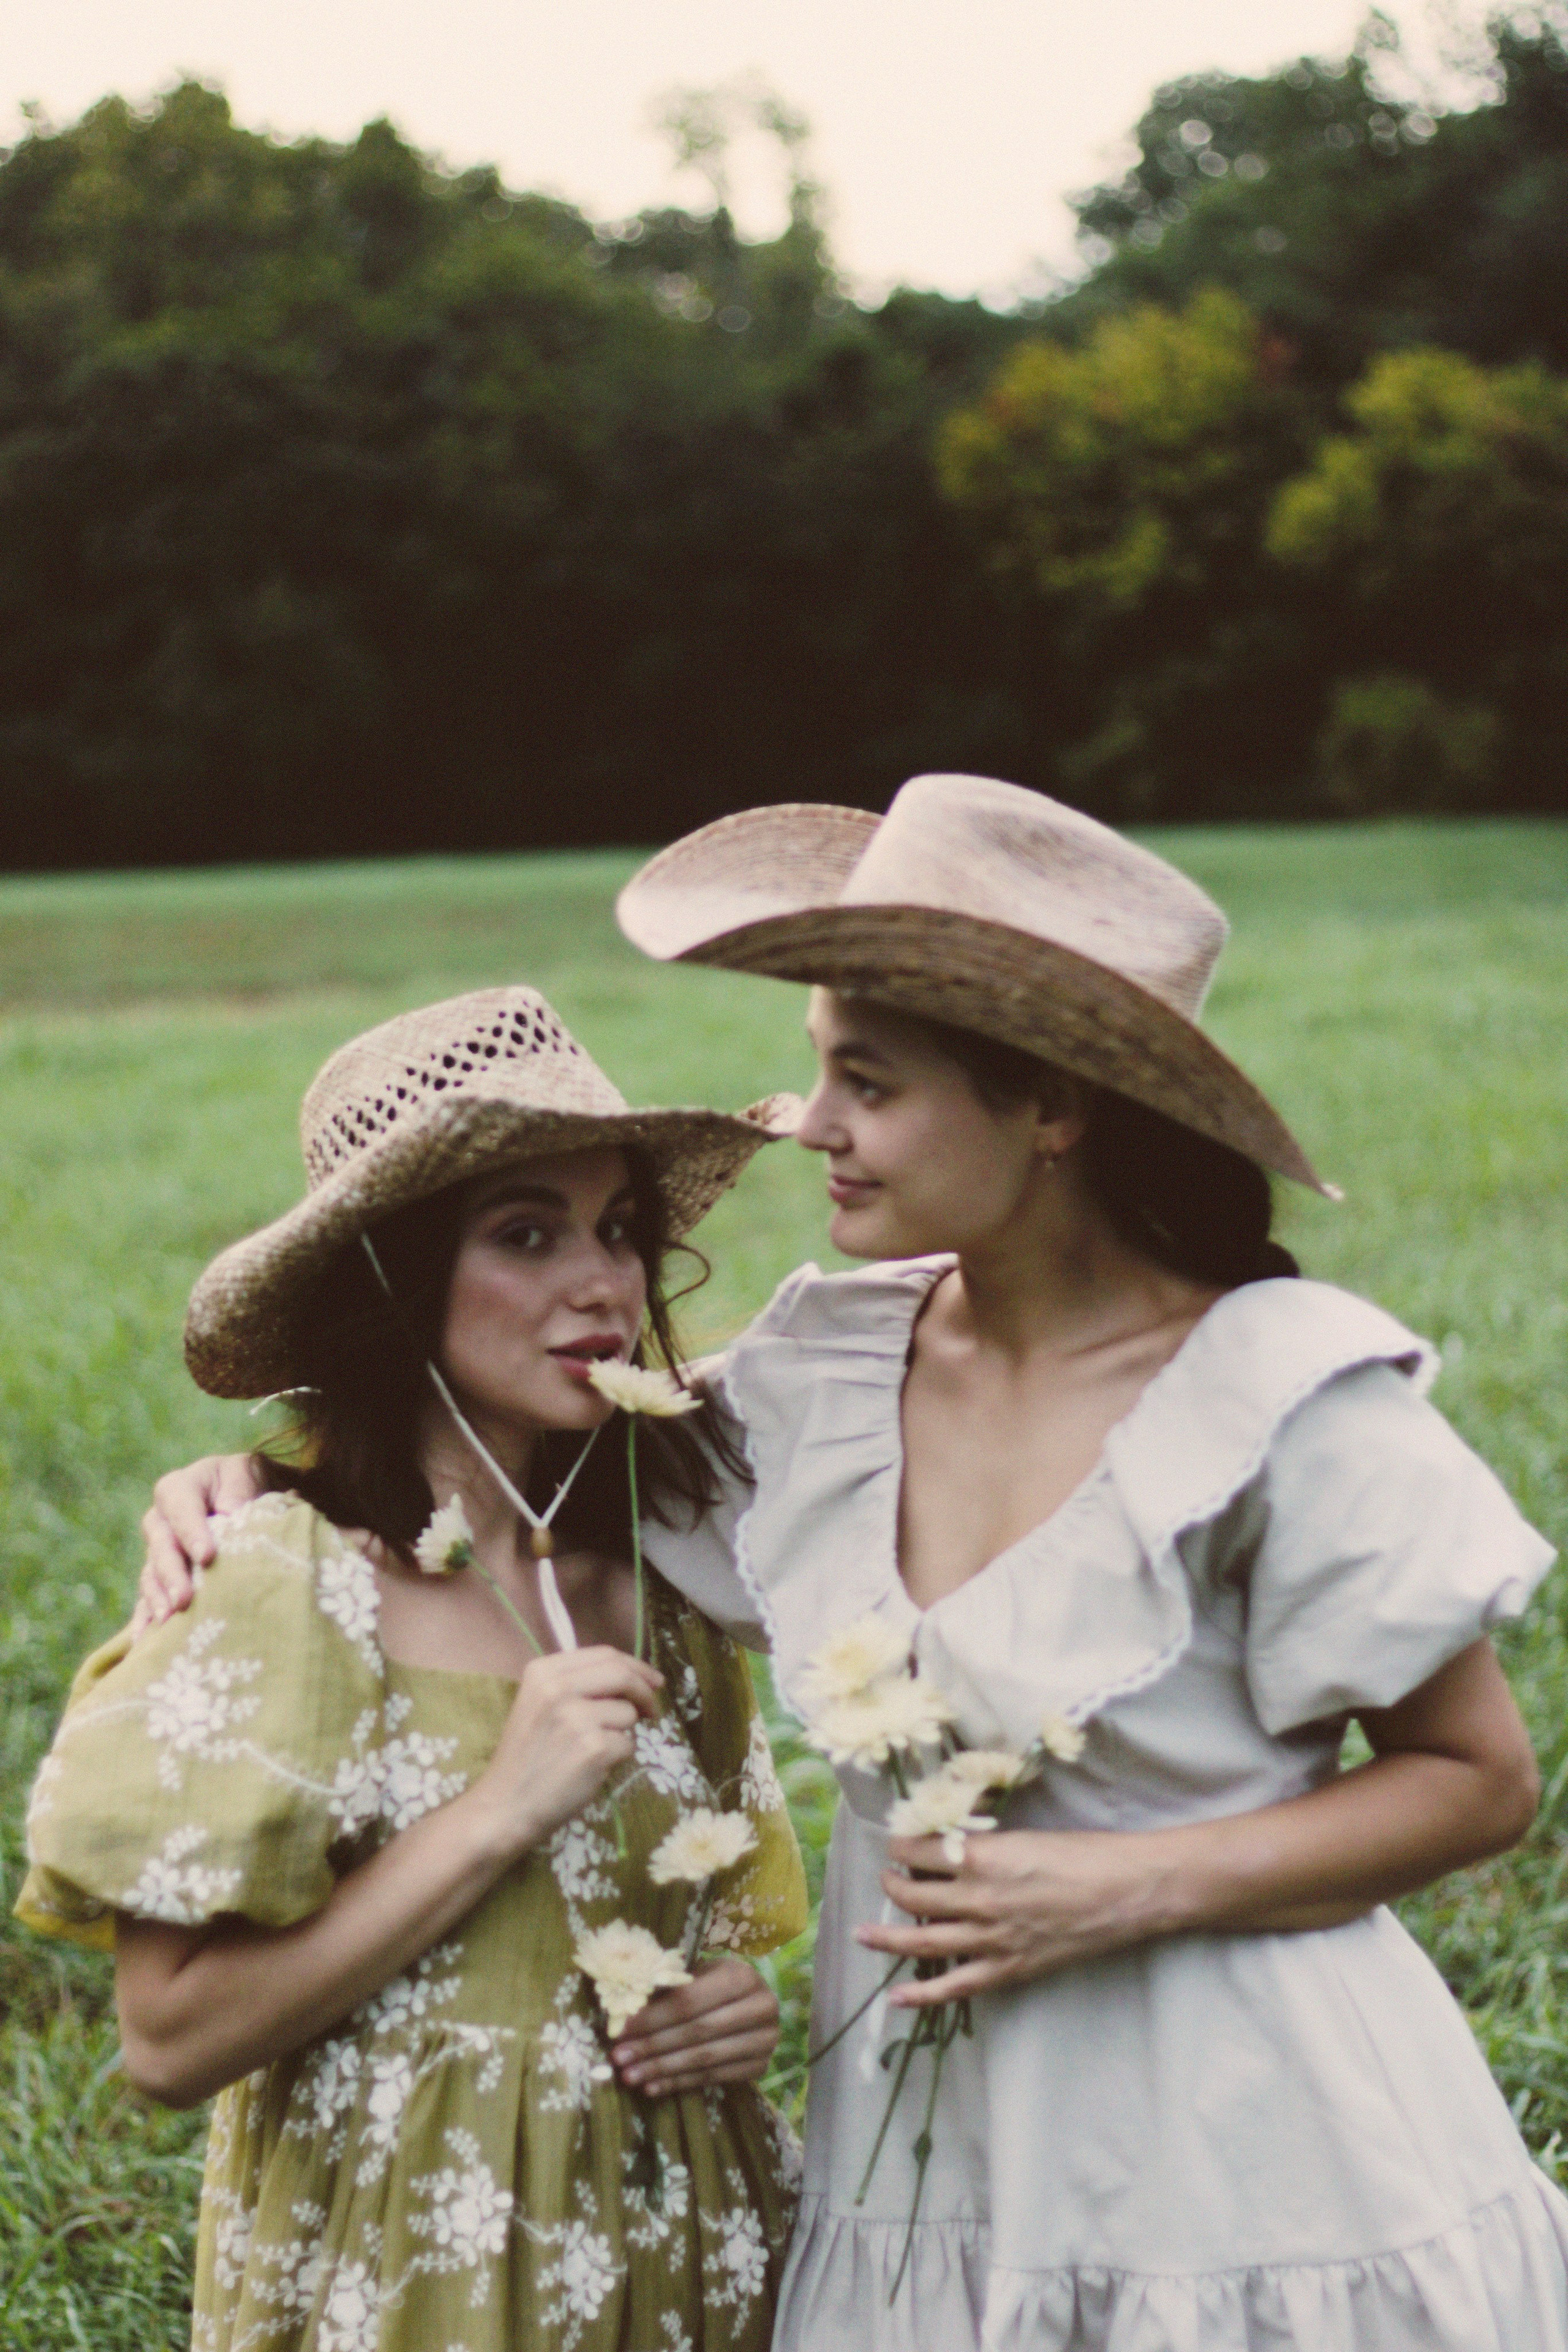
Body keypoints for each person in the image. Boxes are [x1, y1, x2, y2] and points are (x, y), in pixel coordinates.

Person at [138, 778, 1567, 2350]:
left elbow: (1476, 1780)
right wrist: (245, 1487)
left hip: (1252, 2161)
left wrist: (1118, 1885)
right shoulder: (815, 1384)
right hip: (928, 2172)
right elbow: (494, 1450)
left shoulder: (1278, 1402)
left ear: (1051, 1107)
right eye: (821, 1067)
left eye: (865, 1084)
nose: (808, 1123)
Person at [18, 986, 807, 2352]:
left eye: (620, 1228)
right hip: (410, 2276)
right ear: (392, 1280)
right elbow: (167, 2040)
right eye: (526, 1233)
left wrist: (733, 2011)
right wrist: (496, 1813)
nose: (604, 1283)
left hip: (684, 2258)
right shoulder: (286, 1585)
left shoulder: (663, 1584)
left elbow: (694, 1937)